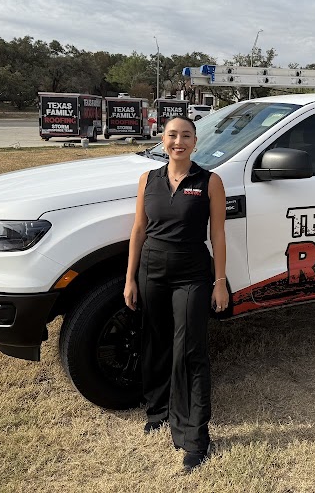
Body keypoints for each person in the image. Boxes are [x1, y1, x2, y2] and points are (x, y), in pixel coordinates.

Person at [124, 116, 228, 472]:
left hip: (192, 273)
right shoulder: (147, 180)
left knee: (191, 351)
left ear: (195, 142)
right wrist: (130, 279)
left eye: (185, 136)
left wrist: (219, 281)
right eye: (172, 135)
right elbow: (139, 229)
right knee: (155, 341)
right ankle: (158, 411)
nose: (178, 141)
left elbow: (218, 236)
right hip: (151, 269)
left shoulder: (210, 181)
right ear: (163, 139)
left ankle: (195, 437)